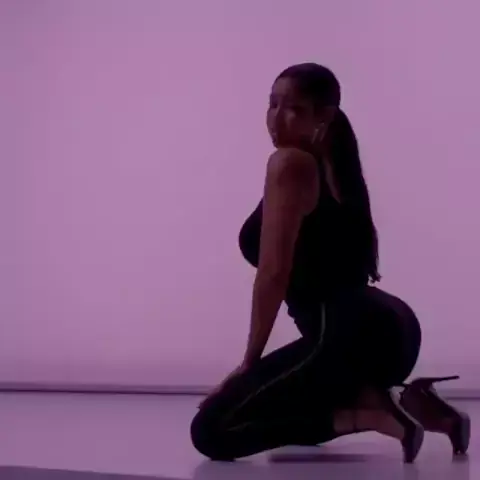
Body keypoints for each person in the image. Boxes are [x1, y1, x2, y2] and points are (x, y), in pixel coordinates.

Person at [190, 63, 469, 463]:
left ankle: (373, 414)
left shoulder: (290, 164)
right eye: (272, 104)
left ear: (325, 115)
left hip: (345, 333)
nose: (276, 119)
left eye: (293, 109)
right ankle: (417, 404)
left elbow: (273, 274)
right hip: (394, 329)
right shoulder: (335, 161)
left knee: (211, 432)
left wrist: (248, 363)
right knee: (286, 405)